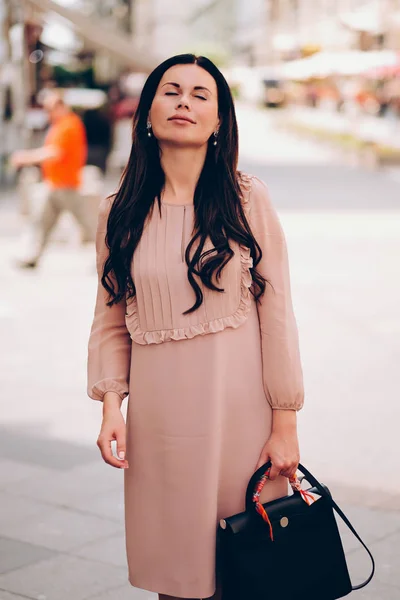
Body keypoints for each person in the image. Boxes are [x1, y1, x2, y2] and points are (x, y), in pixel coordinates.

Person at [87, 54, 304, 600]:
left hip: (241, 419)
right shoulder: (119, 212)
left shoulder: (247, 198)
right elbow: (111, 317)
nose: (184, 102)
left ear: (219, 121)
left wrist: (285, 424)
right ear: (146, 114)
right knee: (178, 575)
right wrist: (112, 405)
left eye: (200, 94)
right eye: (171, 91)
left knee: (248, 570)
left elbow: (277, 313)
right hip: (159, 426)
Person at [11, 90, 93, 268]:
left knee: (89, 225)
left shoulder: (69, 124)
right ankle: (33, 257)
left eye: (49, 108)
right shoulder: (59, 125)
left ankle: (112, 258)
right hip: (55, 185)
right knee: (42, 223)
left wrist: (25, 158)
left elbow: (55, 153)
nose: (47, 113)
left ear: (60, 106)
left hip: (67, 185)